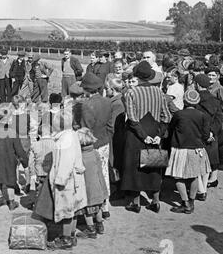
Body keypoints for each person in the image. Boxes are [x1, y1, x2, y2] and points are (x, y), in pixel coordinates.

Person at [121, 61, 172, 213]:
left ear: (137, 76)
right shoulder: (159, 92)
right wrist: (158, 135)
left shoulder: (131, 92)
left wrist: (143, 136)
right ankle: (155, 201)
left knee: (135, 167)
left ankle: (135, 203)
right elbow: (167, 116)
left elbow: (132, 118)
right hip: (155, 131)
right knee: (154, 167)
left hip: (136, 135)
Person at [41, 109, 87, 250]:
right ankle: (71, 235)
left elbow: (65, 161)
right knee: (73, 209)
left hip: (67, 179)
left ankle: (66, 239)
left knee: (67, 209)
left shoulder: (65, 139)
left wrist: (60, 179)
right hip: (75, 177)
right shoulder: (71, 135)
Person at [166, 89, 211, 214]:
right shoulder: (203, 115)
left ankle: (185, 203)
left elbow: (171, 129)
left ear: (185, 100)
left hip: (180, 148)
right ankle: (191, 201)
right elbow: (206, 134)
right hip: (197, 149)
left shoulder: (179, 115)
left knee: (178, 176)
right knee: (194, 175)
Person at [79, 72, 113, 219]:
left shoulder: (86, 105)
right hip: (105, 142)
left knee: (93, 176)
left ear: (87, 89)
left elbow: (86, 128)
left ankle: (95, 207)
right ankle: (106, 205)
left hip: (92, 145)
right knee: (104, 172)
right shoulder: (107, 101)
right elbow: (111, 125)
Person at [0, 107, 29, 211]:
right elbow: (19, 150)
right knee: (10, 182)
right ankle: (11, 202)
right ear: (8, 119)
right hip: (9, 160)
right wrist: (25, 162)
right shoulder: (12, 133)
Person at [75, 127, 108, 238]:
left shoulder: (79, 156)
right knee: (98, 207)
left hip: (87, 188)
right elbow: (99, 170)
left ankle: (91, 229)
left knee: (88, 210)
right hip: (97, 186)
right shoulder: (95, 153)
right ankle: (100, 225)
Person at [195, 74, 223, 192]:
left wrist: (206, 132)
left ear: (197, 85)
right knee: (212, 157)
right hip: (212, 135)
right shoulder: (215, 101)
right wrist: (212, 132)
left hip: (199, 134)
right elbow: (219, 119)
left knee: (198, 160)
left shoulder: (195, 100)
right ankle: (211, 180)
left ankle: (200, 187)